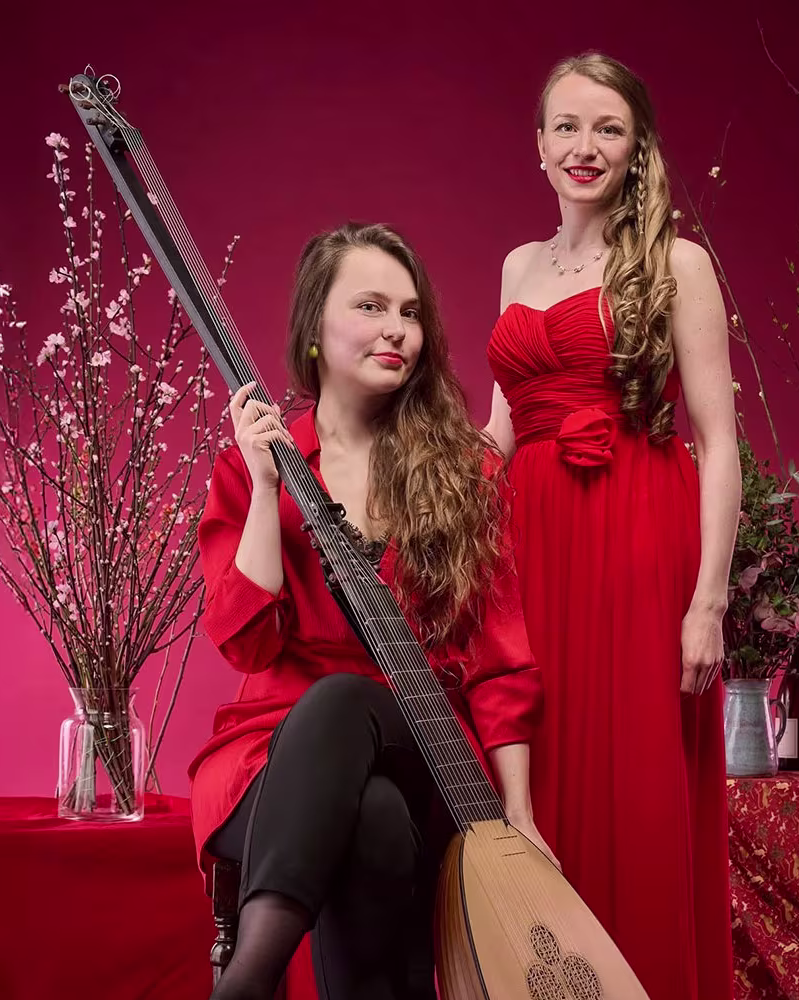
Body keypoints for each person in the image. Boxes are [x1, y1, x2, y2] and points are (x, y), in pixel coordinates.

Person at [188, 222, 550, 1000]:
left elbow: (500, 659)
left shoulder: (463, 468)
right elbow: (249, 644)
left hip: (424, 744)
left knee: (353, 703)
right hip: (272, 759)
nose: (398, 330)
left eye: (411, 312)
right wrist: (263, 487)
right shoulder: (252, 462)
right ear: (315, 327)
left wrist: (520, 816)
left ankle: (242, 985)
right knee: (374, 822)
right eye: (372, 306)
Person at [484, 53, 740, 1000]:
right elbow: (502, 430)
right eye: (566, 127)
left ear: (638, 150)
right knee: (536, 773)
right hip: (532, 543)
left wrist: (707, 600)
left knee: (634, 788)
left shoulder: (678, 263)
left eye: (608, 129)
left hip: (639, 535)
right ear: (539, 145)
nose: (584, 147)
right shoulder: (517, 264)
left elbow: (719, 441)